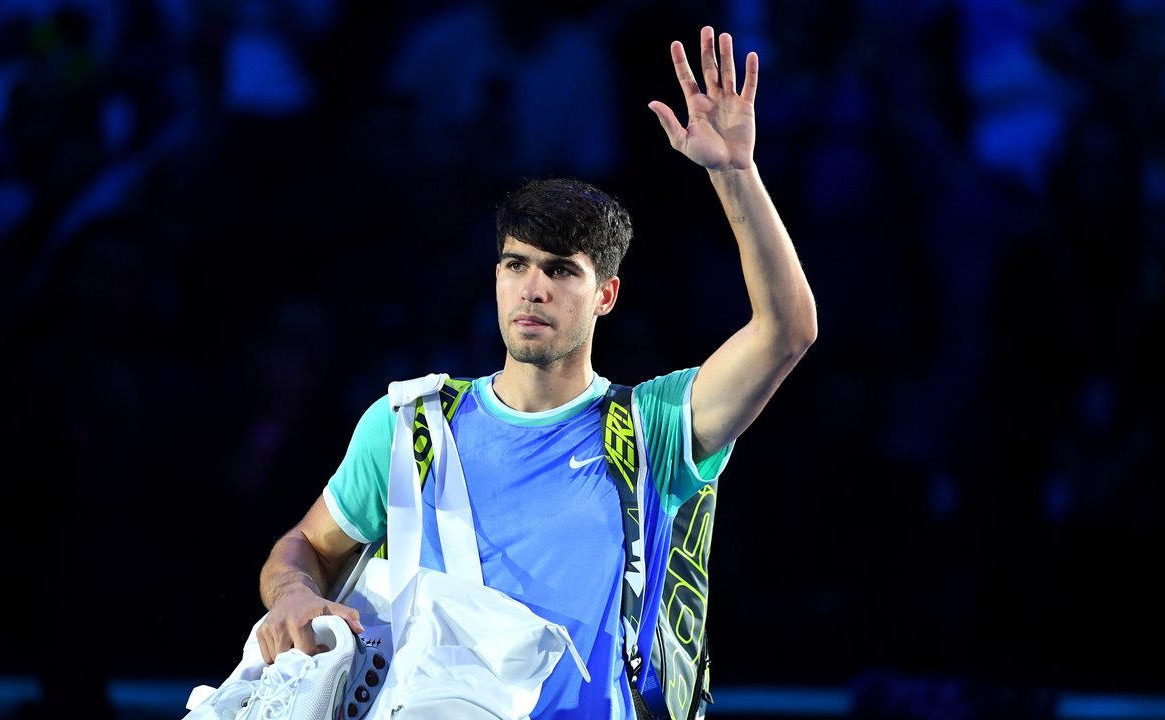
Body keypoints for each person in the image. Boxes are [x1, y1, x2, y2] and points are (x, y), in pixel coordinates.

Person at [253, 25, 817, 719]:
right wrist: (295, 593)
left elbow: (786, 332)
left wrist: (735, 173)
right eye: (516, 265)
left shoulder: (655, 427)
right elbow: (304, 546)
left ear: (605, 295)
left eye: (559, 271)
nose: (533, 288)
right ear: (495, 279)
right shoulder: (410, 427)